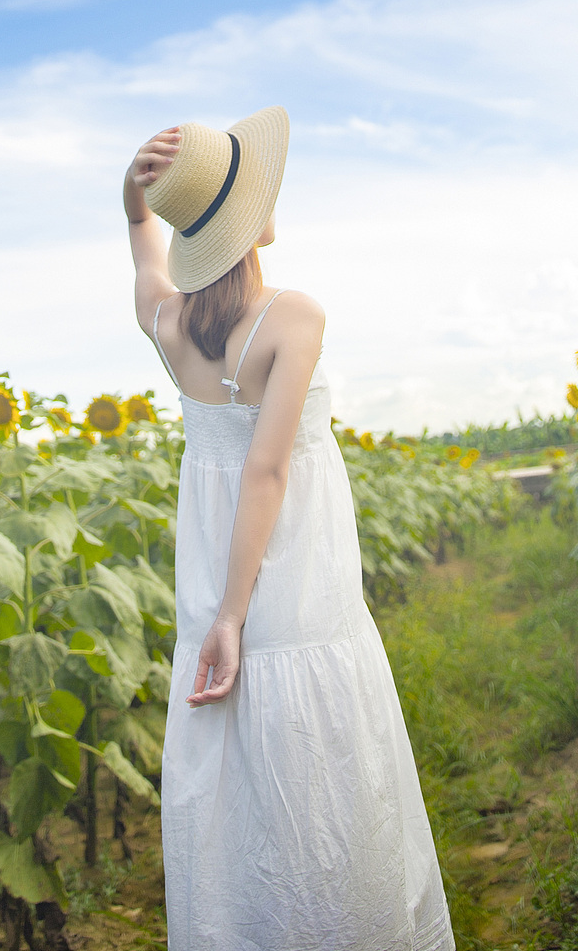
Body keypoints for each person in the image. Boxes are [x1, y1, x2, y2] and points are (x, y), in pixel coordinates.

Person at [124, 106, 454, 951]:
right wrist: (237, 614)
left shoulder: (168, 328)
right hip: (291, 587)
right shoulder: (292, 317)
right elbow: (266, 473)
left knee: (237, 793)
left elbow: (148, 275)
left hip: (208, 591)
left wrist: (134, 210)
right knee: (322, 774)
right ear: (241, 221)